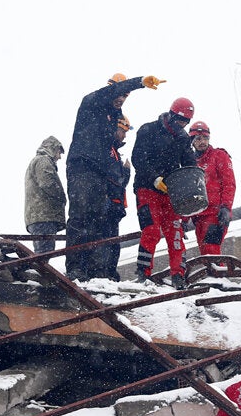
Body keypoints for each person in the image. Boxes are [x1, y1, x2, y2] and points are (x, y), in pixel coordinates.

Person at [65, 72, 166, 281]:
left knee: (97, 220)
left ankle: (95, 271)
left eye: (126, 96)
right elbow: (110, 93)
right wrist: (138, 83)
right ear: (111, 88)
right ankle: (75, 267)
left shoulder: (113, 118)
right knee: (80, 215)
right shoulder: (92, 102)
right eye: (120, 93)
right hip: (82, 165)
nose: (121, 98)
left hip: (100, 172)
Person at [131, 97, 197, 289]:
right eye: (180, 121)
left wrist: (192, 183)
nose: (182, 125)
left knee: (175, 233)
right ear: (171, 115)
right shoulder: (148, 130)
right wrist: (154, 178)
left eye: (186, 122)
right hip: (146, 187)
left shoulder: (184, 138)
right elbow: (138, 159)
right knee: (151, 230)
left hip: (171, 191)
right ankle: (143, 274)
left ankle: (178, 275)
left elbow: (189, 162)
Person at [187, 121, 236, 255]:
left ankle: (218, 275)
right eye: (198, 138)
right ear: (192, 141)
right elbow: (188, 192)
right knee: (205, 254)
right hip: (198, 216)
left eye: (205, 138)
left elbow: (229, 183)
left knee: (211, 250)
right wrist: (184, 219)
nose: (202, 141)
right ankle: (213, 275)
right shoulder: (190, 163)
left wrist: (226, 207)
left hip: (217, 214)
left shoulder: (219, 156)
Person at [23, 135, 66, 253]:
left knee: (43, 253)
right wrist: (62, 198)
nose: (60, 157)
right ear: (53, 149)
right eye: (59, 152)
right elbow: (48, 183)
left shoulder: (38, 161)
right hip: (43, 216)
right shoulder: (43, 160)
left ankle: (30, 270)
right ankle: (29, 271)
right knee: (44, 253)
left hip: (39, 217)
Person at [103, 115, 133, 281]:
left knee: (113, 243)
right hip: (109, 204)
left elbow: (119, 182)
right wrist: (126, 171)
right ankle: (107, 273)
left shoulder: (114, 152)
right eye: (123, 131)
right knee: (109, 242)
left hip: (114, 205)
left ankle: (110, 272)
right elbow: (116, 181)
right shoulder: (108, 150)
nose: (124, 135)